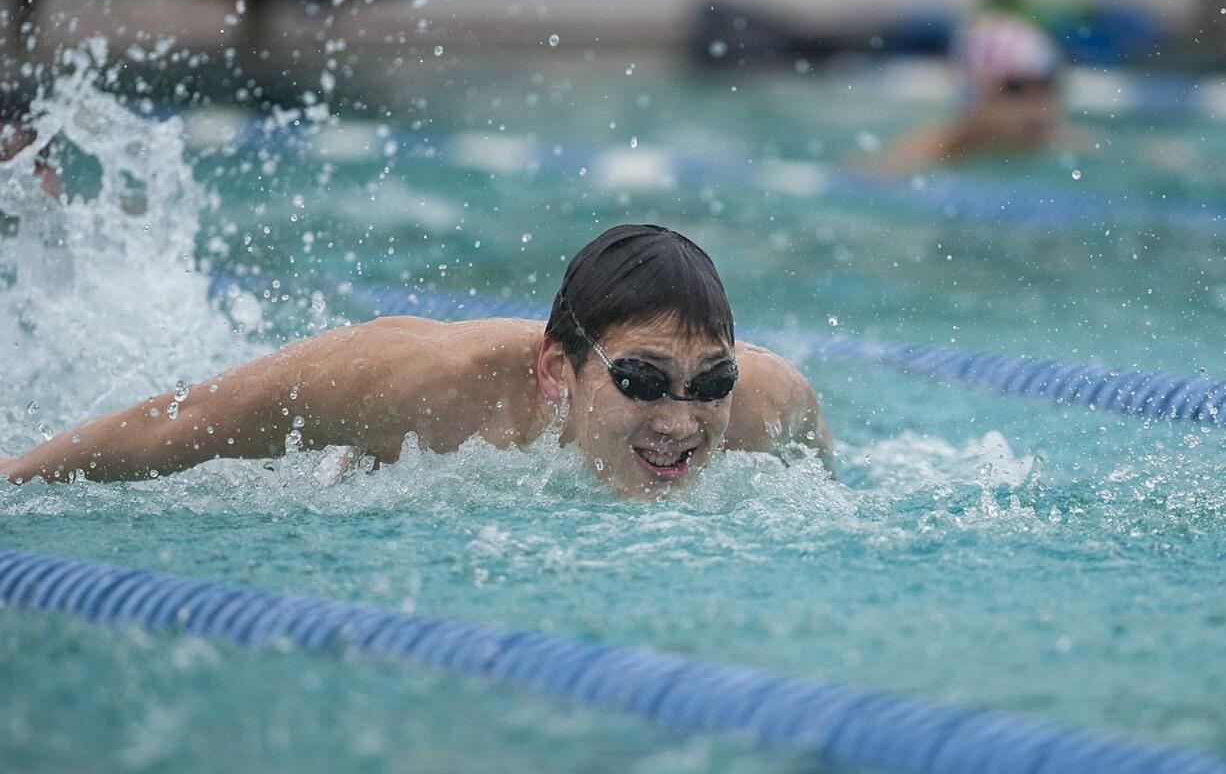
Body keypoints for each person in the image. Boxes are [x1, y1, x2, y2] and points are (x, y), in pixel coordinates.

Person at [1, 224, 833, 498]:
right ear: (556, 371)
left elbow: (836, 485)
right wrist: (17, 475)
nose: (679, 423)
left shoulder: (766, 404)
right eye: (641, 381)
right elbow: (190, 420)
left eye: (708, 384)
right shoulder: (425, 388)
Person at [877, 13, 1064, 172]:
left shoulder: (1068, 149)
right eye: (1015, 88)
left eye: (1046, 85)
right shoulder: (915, 159)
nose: (1037, 105)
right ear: (974, 93)